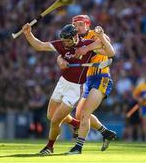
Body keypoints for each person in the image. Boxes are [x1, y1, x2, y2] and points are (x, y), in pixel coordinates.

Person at [22, 23, 113, 155]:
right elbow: (40, 45)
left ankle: (49, 147)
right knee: (50, 115)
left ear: (75, 37)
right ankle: (76, 123)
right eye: (63, 40)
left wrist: (100, 37)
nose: (64, 43)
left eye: (67, 40)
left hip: (76, 88)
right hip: (62, 83)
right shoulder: (61, 44)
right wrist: (28, 34)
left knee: (55, 120)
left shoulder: (87, 45)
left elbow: (110, 52)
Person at [58, 15, 117, 153]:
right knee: (79, 115)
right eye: (75, 25)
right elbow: (62, 53)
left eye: (80, 24)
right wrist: (61, 60)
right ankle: (106, 133)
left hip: (101, 78)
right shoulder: (74, 40)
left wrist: (97, 40)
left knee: (85, 113)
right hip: (87, 80)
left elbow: (110, 51)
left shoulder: (94, 34)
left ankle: (78, 147)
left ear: (87, 25)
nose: (77, 28)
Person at [133, 76, 146, 141]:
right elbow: (134, 95)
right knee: (144, 123)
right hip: (144, 107)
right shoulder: (141, 86)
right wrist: (139, 99)